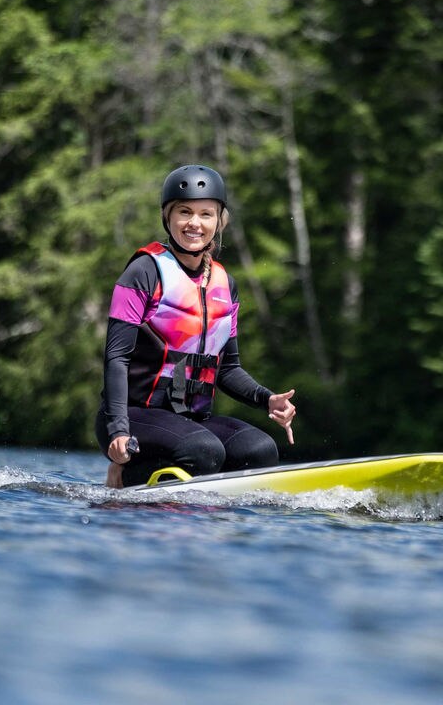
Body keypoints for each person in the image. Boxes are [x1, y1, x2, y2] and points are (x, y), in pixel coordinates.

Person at [95, 164, 296, 488]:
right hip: (133, 415)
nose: (194, 223)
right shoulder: (143, 272)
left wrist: (267, 399)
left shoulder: (224, 284)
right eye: (184, 212)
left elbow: (227, 368)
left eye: (206, 214)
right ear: (167, 217)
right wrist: (118, 429)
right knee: (203, 450)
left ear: (219, 221)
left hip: (192, 419)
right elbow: (116, 359)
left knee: (259, 451)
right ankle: (125, 474)